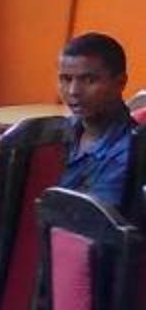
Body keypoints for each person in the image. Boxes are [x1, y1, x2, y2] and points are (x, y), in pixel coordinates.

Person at [57, 31, 135, 205]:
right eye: (66, 79)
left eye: (89, 80)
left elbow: (86, 216)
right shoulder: (59, 133)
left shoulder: (128, 154)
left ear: (120, 82)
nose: (73, 91)